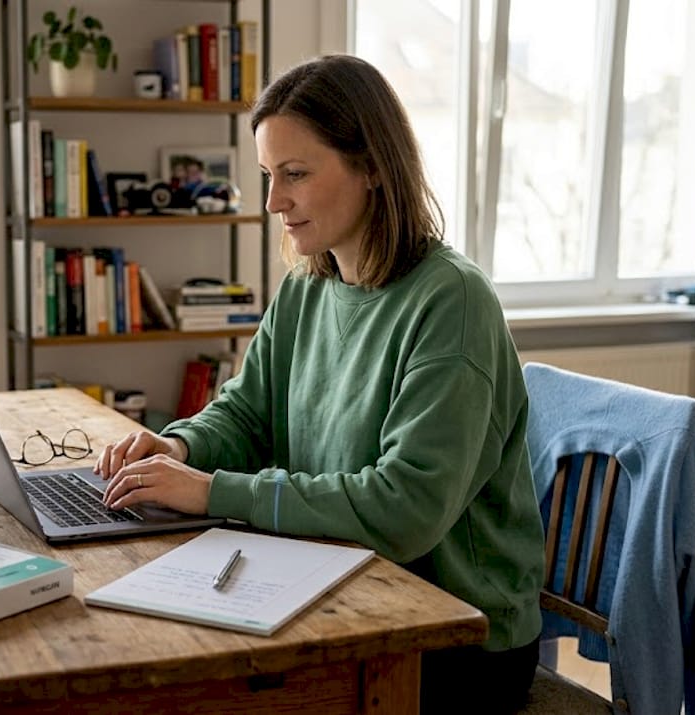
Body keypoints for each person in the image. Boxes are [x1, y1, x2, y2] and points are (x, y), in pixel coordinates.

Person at [94, 54, 545, 714]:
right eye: (269, 176)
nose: (275, 202)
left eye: (296, 174)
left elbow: (405, 508)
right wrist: (181, 450)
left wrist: (214, 491)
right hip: (336, 586)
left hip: (456, 638)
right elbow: (247, 414)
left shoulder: (453, 303)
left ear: (373, 167)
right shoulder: (309, 285)